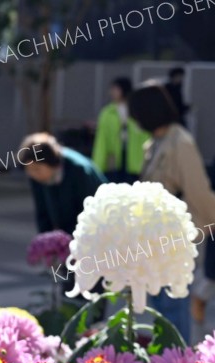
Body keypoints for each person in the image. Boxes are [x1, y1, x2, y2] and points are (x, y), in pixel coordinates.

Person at [129, 83, 215, 341]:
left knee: (174, 312)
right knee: (161, 308)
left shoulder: (180, 142)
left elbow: (198, 192)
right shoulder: (157, 142)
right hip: (155, 239)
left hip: (176, 240)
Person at [20, 133, 107, 303]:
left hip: (94, 238)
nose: (33, 175)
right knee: (68, 289)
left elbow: (93, 215)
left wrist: (76, 244)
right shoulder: (38, 178)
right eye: (28, 171)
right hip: (66, 238)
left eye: (37, 169)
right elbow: (42, 212)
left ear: (52, 163)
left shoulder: (79, 170)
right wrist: (48, 245)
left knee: (91, 292)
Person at [92, 77, 150, 184]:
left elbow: (145, 136)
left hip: (135, 159)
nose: (112, 92)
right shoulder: (107, 113)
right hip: (114, 159)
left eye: (115, 89)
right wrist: (99, 163)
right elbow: (102, 140)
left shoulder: (137, 110)